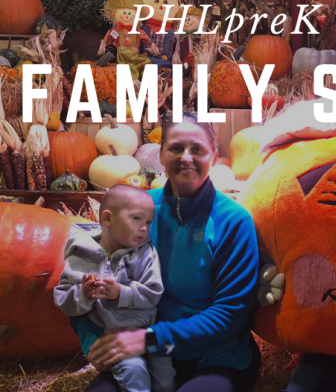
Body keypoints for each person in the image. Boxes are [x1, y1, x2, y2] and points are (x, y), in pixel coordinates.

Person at [69, 114, 261, 392]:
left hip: (214, 355)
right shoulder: (135, 211)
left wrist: (148, 338)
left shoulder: (233, 221)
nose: (186, 157)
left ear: (214, 156)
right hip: (140, 356)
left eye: (197, 149)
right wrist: (95, 341)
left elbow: (229, 315)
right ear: (160, 153)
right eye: (176, 148)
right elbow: (81, 281)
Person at [54, 185, 176, 392]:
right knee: (133, 371)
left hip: (149, 330)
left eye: (148, 222)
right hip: (112, 337)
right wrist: (84, 296)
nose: (144, 228)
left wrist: (122, 293)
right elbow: (63, 298)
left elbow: (153, 292)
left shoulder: (146, 253)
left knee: (166, 378)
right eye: (137, 219)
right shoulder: (81, 255)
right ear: (108, 218)